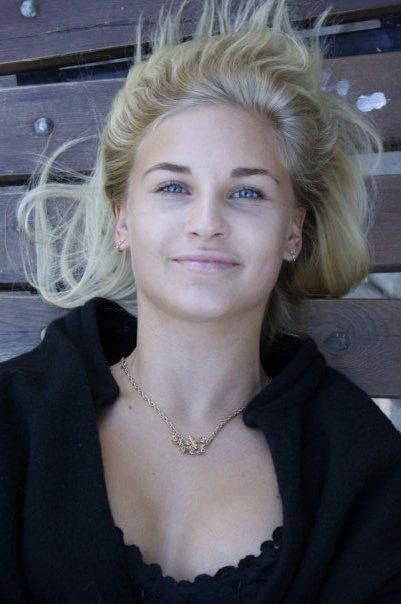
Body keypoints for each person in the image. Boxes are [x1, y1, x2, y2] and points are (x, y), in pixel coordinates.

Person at [1, 0, 401, 602]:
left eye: (247, 192)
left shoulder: (362, 464)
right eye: (173, 187)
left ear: (292, 232)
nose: (207, 221)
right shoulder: (13, 421)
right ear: (123, 220)